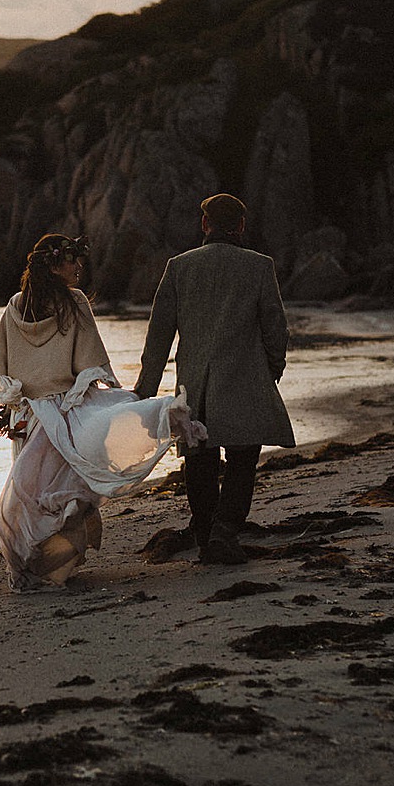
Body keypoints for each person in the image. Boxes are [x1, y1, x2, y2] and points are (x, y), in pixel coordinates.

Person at [0, 233, 204, 590]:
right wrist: (120, 394)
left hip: (29, 415)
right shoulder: (74, 302)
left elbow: (3, 365)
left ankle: (36, 564)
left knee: (33, 491)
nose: (79, 267)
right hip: (68, 410)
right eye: (72, 260)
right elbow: (88, 365)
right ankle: (60, 563)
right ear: (55, 265)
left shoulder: (15, 306)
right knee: (72, 485)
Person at [135, 194, 295, 564]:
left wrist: (145, 388)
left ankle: (206, 531)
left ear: (204, 225)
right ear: (240, 226)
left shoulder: (179, 266)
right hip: (245, 379)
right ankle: (224, 531)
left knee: (199, 460)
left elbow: (159, 334)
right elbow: (276, 326)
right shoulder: (259, 266)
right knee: (242, 462)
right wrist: (273, 369)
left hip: (195, 384)